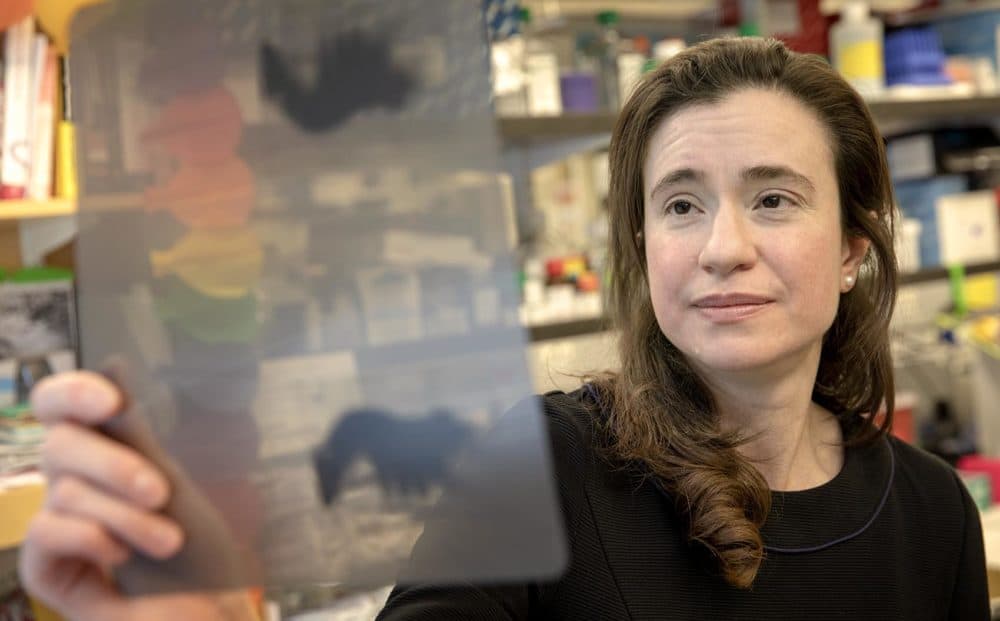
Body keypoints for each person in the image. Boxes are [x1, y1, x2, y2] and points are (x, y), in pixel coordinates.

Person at [19, 37, 988, 620]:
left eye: (772, 199)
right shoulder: (535, 466)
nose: (720, 247)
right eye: (681, 206)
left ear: (857, 244)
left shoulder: (932, 515)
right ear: (643, 244)